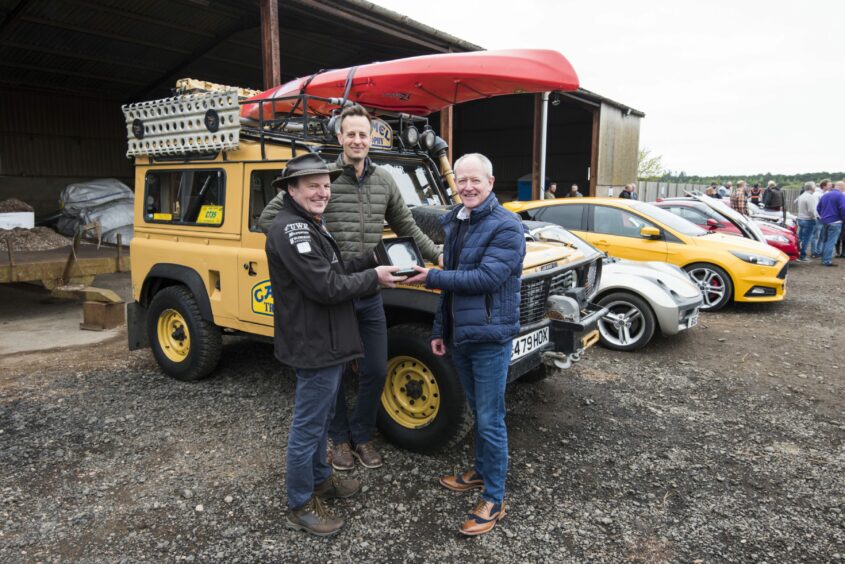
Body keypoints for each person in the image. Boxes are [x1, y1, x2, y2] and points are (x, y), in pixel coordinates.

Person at [260, 103, 442, 471]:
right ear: (340, 137)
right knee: (335, 376)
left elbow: (408, 226)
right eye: (351, 134)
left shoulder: (384, 181)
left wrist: (437, 254)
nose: (358, 140)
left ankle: (361, 434)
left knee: (376, 368)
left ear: (371, 139)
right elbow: (270, 219)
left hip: (370, 292)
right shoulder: (321, 178)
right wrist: (313, 256)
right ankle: (340, 441)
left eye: (364, 134)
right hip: (332, 293)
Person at [264, 153, 406, 536]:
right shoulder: (291, 229)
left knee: (322, 417)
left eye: (326, 185)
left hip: (323, 339)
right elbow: (325, 287)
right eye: (312, 185)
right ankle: (299, 504)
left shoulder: (309, 224)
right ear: (291, 190)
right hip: (314, 342)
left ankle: (321, 479)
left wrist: (366, 261)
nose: (322, 192)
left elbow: (331, 271)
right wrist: (373, 277)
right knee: (308, 427)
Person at [404, 153, 525, 536]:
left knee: (491, 418)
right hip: (461, 336)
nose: (468, 187)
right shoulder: (457, 220)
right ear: (454, 182)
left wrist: (432, 276)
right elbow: (452, 293)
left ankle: (494, 497)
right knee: (477, 410)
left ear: (491, 182)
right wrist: (440, 330)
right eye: (461, 180)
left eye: (476, 180)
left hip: (490, 337)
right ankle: (479, 472)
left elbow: (486, 278)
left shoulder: (507, 226)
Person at [816, 180, 845, 267]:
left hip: (825, 221)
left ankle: (824, 259)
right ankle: (827, 261)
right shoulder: (840, 195)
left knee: (825, 241)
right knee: (831, 242)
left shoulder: (825, 195)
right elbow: (843, 208)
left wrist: (824, 216)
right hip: (836, 221)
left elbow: (818, 208)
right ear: (841, 187)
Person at [796, 181, 817, 262]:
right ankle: (802, 256)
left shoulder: (801, 195)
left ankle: (798, 254)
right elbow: (811, 210)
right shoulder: (810, 197)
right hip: (808, 220)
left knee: (800, 238)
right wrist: (814, 217)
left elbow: (795, 202)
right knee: (806, 239)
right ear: (812, 188)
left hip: (800, 218)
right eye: (814, 186)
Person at [812, 179, 832, 258]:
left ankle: (819, 251)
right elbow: (816, 207)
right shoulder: (817, 194)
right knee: (816, 235)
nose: (830, 186)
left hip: (824, 218)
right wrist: (819, 216)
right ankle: (814, 252)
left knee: (822, 236)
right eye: (829, 185)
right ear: (824, 186)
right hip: (819, 218)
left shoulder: (826, 193)